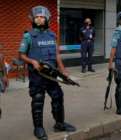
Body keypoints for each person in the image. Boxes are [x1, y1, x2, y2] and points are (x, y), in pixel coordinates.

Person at [19, 6, 76, 140]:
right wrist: (32, 61)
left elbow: (56, 54)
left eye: (42, 17)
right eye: (37, 17)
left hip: (51, 74)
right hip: (37, 75)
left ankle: (60, 124)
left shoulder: (52, 35)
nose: (39, 19)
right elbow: (21, 55)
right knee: (38, 100)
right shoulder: (28, 36)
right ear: (33, 19)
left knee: (58, 96)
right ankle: (38, 128)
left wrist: (62, 69)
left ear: (46, 19)